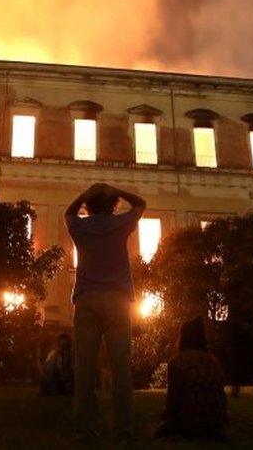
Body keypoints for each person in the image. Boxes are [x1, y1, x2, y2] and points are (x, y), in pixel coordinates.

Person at [65, 183, 146, 442]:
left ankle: (85, 429)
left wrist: (85, 193)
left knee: (84, 367)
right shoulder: (119, 224)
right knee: (120, 366)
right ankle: (122, 429)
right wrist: (116, 190)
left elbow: (69, 212)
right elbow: (140, 204)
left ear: (89, 205)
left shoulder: (80, 227)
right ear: (113, 205)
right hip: (117, 300)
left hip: (86, 299)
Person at [156, 317, 227, 440]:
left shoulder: (177, 362)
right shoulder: (214, 361)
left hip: (189, 423)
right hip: (216, 423)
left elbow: (173, 403)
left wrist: (166, 420)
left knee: (159, 428)